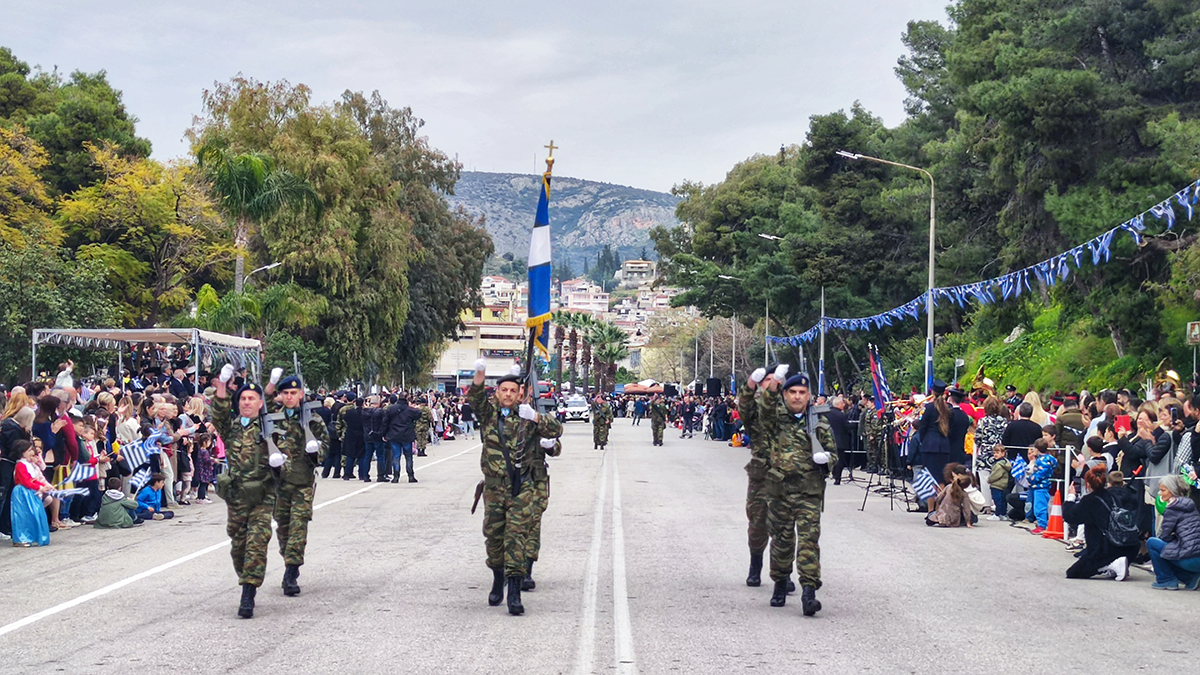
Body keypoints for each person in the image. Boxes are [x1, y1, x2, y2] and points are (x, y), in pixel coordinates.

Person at [467, 359, 562, 615]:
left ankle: (515, 593)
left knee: (516, 538)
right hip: (495, 489)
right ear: (497, 393)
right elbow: (475, 399)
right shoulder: (489, 416)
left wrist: (535, 417)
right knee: (494, 540)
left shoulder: (528, 417)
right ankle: (498, 578)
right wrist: (479, 373)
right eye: (504, 390)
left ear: (520, 393)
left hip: (523, 488)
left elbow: (556, 431)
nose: (508, 394)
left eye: (513, 391)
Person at [758, 372, 835, 616]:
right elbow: (763, 406)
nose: (798, 396)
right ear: (785, 395)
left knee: (809, 541)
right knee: (781, 541)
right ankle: (780, 582)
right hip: (779, 491)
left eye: (802, 392)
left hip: (808, 492)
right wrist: (774, 383)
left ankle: (809, 591)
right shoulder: (774, 419)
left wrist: (827, 459)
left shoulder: (819, 423)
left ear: (809, 395)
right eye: (792, 392)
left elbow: (834, 454)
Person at [211, 365, 276, 619]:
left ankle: (248, 592)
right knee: (238, 545)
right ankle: (245, 576)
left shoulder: (270, 427)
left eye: (252, 399)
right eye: (244, 399)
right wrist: (222, 386)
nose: (247, 402)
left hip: (262, 494)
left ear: (261, 403)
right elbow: (218, 414)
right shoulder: (232, 428)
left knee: (257, 542)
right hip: (237, 495)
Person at [272, 375, 329, 597]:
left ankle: (291, 573)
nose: (289, 397)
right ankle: (289, 559)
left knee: (298, 527)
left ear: (301, 394)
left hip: (302, 484)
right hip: (279, 484)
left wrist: (316, 450)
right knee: (283, 529)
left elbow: (325, 450)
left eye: (293, 393)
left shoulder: (313, 420)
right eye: (285, 393)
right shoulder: (272, 419)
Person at [1062, 467, 1140, 580]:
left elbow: (1069, 516)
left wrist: (1071, 497)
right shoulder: (1115, 494)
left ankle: (1110, 565)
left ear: (1088, 484)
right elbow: (1132, 501)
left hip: (1106, 547)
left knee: (1073, 572)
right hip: (1130, 544)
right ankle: (1116, 564)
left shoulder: (1089, 501)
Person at [1146, 475, 1200, 590]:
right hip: (1197, 556)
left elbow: (1164, 536)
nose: (1159, 494)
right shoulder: (1189, 504)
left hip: (1190, 559)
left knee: (1152, 543)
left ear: (1172, 491)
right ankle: (1190, 578)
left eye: (1163, 490)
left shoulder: (1173, 507)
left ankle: (1166, 579)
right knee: (1169, 549)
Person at [10, 440, 51, 547]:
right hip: (22, 492)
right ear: (21, 452)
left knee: (33, 513)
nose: (31, 452)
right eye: (28, 450)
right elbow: (25, 480)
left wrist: (43, 485)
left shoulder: (28, 464)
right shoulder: (20, 465)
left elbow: (32, 479)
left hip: (30, 491)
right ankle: (21, 538)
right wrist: (40, 487)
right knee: (22, 515)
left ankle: (32, 536)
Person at [917, 380, 952, 484]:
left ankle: (931, 500)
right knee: (941, 477)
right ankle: (941, 499)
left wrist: (923, 441)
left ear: (933, 393)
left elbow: (923, 426)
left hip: (930, 445)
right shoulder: (949, 408)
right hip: (944, 446)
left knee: (930, 478)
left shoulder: (930, 407)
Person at [382, 394, 421, 483]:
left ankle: (396, 476)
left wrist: (384, 434)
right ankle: (410, 475)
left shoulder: (390, 409)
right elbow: (418, 414)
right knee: (408, 456)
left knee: (396, 456)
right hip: (406, 435)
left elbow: (385, 422)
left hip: (394, 434)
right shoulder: (410, 410)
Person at [1026, 439, 1057, 534]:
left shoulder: (1042, 461)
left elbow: (1041, 473)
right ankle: (1041, 523)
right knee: (1039, 505)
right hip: (1041, 485)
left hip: (1041, 486)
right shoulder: (1049, 459)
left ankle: (1042, 525)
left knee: (1039, 506)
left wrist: (1031, 478)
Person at [986, 445, 1012, 521]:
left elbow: (995, 475)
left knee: (997, 500)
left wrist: (989, 479)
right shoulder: (1005, 463)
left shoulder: (999, 465)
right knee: (1002, 500)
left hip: (996, 485)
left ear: (1003, 453)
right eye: (994, 453)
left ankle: (997, 514)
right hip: (1002, 485)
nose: (995, 454)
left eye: (997, 452)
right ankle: (1003, 514)